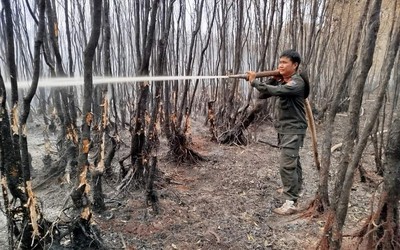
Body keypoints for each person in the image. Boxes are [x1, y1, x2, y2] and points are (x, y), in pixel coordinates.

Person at [246, 49, 308, 215]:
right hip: (285, 129)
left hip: (294, 129)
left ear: (294, 65)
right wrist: (273, 78)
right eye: (279, 62)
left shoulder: (297, 82)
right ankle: (296, 190)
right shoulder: (284, 81)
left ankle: (291, 202)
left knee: (286, 166)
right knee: (293, 162)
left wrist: (254, 82)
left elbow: (279, 91)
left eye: (285, 63)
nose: (281, 65)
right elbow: (263, 94)